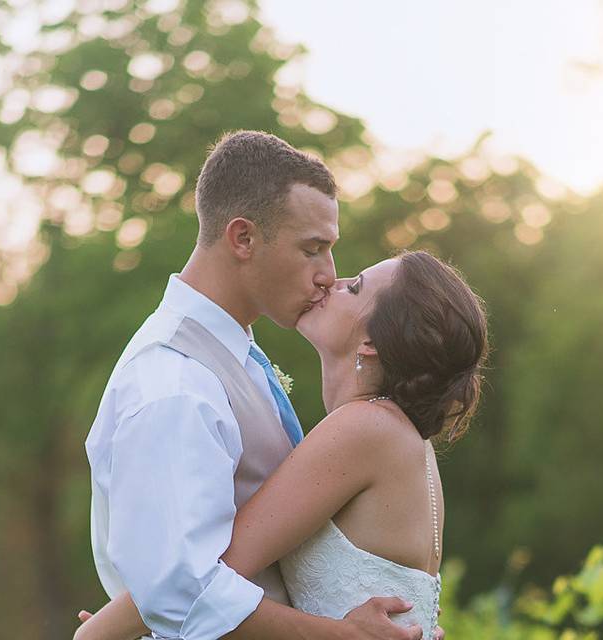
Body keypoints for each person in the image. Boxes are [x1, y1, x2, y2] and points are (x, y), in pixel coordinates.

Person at [81, 131, 442, 640]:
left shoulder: (235, 358)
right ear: (243, 238)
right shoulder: (176, 382)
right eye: (312, 249)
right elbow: (179, 594)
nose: (327, 276)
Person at [77, 249, 487, 640]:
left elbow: (208, 570)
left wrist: (100, 631)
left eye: (355, 288)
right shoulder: (400, 436)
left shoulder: (367, 429)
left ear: (372, 343)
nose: (333, 281)